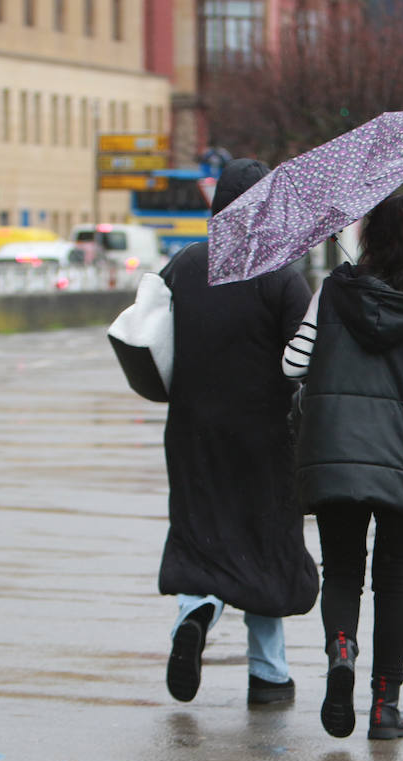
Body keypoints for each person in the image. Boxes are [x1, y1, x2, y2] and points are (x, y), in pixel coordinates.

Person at [283, 194, 403, 740]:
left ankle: (341, 650)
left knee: (342, 570)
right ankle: (384, 708)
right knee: (394, 578)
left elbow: (292, 363)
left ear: (374, 238)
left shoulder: (334, 291)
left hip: (337, 452)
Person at [158, 158, 319, 706]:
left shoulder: (183, 264)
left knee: (203, 527)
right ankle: (268, 674)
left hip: (192, 428)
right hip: (264, 433)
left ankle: (195, 611)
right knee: (266, 540)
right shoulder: (280, 276)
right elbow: (307, 357)